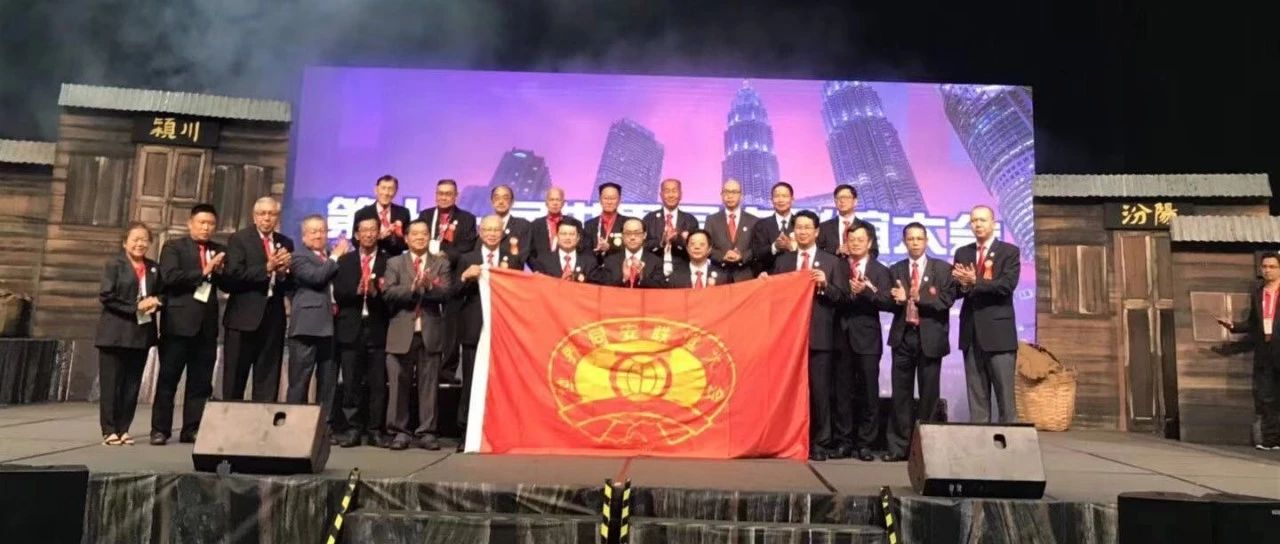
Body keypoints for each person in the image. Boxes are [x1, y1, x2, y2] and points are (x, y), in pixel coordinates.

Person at [761, 210, 848, 461]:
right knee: (787, 392)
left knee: (819, 392)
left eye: (807, 227)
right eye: (798, 227)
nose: (802, 232)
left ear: (817, 231)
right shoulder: (783, 262)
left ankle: (820, 443)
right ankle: (787, 440)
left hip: (820, 337)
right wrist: (765, 283)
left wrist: (826, 285)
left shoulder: (832, 262)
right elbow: (775, 299)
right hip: (789, 338)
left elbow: (843, 298)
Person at [151, 204, 224, 446]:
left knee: (200, 382)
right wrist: (204, 271)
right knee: (168, 379)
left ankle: (192, 428)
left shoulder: (219, 250)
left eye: (210, 224)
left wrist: (221, 272)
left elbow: (228, 283)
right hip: (178, 324)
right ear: (190, 223)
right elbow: (170, 277)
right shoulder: (174, 247)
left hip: (206, 326)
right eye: (202, 223)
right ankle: (160, 429)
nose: (206, 228)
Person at [884, 222, 955, 462]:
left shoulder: (942, 269)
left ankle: (927, 450)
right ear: (904, 242)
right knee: (900, 395)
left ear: (926, 241)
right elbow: (888, 302)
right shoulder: (895, 269)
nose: (914, 243)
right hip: (903, 337)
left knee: (929, 396)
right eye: (910, 239)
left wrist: (916, 298)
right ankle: (899, 448)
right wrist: (896, 300)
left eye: (919, 238)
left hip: (930, 338)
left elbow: (946, 301)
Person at [383, 219, 453, 450]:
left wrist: (429, 286)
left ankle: (427, 432)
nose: (420, 237)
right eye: (415, 234)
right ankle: (399, 432)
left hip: (430, 332)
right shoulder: (395, 262)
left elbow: (446, 293)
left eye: (424, 234)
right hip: (401, 332)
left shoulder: (441, 263)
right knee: (398, 384)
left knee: (429, 385)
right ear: (407, 238)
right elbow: (388, 293)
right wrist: (412, 289)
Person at [455, 215, 523, 445]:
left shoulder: (512, 259)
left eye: (496, 230)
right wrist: (465, 276)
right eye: (488, 229)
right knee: (471, 381)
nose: (492, 234)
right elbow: (453, 293)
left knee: (502, 382)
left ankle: (501, 431)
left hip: (503, 329)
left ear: (503, 232)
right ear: (480, 232)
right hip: (474, 328)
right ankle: (466, 433)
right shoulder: (467, 258)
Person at [952, 205, 1021, 423]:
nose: (978, 224)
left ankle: (1010, 440)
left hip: (999, 333)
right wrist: (963, 285)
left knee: (1005, 397)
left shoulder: (1009, 252)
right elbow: (956, 291)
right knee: (977, 396)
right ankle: (979, 438)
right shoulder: (963, 253)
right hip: (971, 332)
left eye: (982, 220)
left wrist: (976, 281)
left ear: (993, 223)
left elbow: (1006, 286)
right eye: (974, 221)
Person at [95, 222, 161, 446]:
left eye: (144, 239)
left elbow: (162, 293)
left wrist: (155, 302)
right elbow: (107, 296)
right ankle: (109, 430)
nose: (140, 243)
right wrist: (136, 308)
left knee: (132, 385)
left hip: (141, 333)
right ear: (125, 242)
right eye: (135, 239)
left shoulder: (154, 268)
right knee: (111, 384)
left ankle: (124, 428)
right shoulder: (114, 264)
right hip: (114, 333)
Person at [222, 196, 294, 401]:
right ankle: (231, 416)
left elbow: (289, 284)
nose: (267, 218)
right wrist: (267, 268)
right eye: (262, 214)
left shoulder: (285, 242)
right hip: (243, 317)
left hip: (273, 317)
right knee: (235, 377)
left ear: (277, 217)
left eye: (272, 214)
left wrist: (283, 274)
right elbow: (234, 275)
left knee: (268, 376)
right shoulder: (240, 239)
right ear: (254, 217)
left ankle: (263, 417)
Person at [833, 224, 893, 461]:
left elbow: (888, 302)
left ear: (869, 243)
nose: (855, 243)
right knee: (842, 392)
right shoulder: (837, 266)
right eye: (852, 240)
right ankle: (843, 442)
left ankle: (866, 443)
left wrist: (866, 292)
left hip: (867, 338)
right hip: (840, 336)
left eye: (860, 240)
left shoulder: (880, 270)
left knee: (869, 392)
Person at [332, 217, 391, 448]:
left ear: (378, 233)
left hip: (377, 328)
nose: (368, 234)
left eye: (373, 230)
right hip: (350, 327)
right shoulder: (345, 261)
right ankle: (353, 428)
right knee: (351, 382)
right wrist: (356, 292)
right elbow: (338, 293)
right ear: (356, 235)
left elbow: (392, 297)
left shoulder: (388, 261)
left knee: (377, 383)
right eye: (364, 230)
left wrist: (376, 293)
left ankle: (375, 429)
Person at [417, 179, 477, 384]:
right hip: (427, 274)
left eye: (448, 193)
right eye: (440, 193)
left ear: (456, 196)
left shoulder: (467, 218)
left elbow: (467, 246)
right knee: (428, 320)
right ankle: (424, 367)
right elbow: (416, 239)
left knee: (451, 324)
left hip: (453, 276)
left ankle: (448, 370)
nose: (443, 197)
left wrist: (445, 256)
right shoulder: (425, 216)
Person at [286, 215, 347, 417]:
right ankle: (295, 421)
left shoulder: (330, 257)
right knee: (300, 380)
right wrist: (335, 257)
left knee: (328, 381)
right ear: (304, 236)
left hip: (331, 325)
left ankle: (323, 423)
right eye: (313, 231)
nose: (319, 235)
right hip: (307, 326)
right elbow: (316, 277)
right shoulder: (298, 257)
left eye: (322, 230)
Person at [1218, 252, 1280, 450]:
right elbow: (1254, 323)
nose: (1268, 270)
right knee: (1267, 397)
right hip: (1265, 350)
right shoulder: (1258, 293)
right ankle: (1272, 440)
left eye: (1272, 267)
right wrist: (1234, 326)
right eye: (1265, 267)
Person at [642, 178, 700, 275]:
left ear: (681, 195)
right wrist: (661, 242)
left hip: (682, 272)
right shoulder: (649, 219)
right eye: (667, 191)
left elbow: (696, 249)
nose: (671, 195)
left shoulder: (690, 220)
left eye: (674, 191)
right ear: (661, 195)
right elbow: (642, 246)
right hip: (653, 271)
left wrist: (677, 240)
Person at [705, 179, 759, 283]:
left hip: (745, 277)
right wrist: (722, 256)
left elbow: (756, 249)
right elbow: (707, 247)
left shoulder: (754, 221)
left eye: (734, 192)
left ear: (741, 196)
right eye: (726, 192)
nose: (730, 196)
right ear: (721, 195)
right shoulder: (711, 220)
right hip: (718, 276)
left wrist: (742, 256)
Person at [590, 218, 665, 288]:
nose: (632, 237)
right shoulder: (610, 261)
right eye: (628, 233)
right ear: (622, 236)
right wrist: (624, 279)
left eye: (637, 233)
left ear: (644, 235)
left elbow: (660, 290)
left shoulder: (656, 261)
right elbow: (604, 289)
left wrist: (642, 278)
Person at [352, 174, 412, 256]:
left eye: (390, 189)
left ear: (395, 191)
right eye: (383, 188)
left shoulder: (403, 213)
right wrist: (379, 236)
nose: (386, 193)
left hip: (395, 259)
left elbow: (407, 244)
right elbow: (355, 242)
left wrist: (398, 235)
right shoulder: (362, 213)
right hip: (372, 259)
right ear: (376, 190)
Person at [748, 181, 798, 277]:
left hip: (795, 277)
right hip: (770, 277)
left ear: (792, 200)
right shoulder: (761, 225)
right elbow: (757, 254)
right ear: (771, 200)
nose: (780, 200)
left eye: (784, 196)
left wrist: (791, 247)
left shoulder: (800, 223)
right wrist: (775, 247)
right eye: (777, 196)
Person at [817, 184, 880, 259]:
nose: (842, 201)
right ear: (835, 202)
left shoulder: (868, 227)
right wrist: (836, 251)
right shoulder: (824, 227)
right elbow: (817, 253)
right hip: (832, 266)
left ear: (855, 201)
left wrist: (858, 254)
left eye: (846, 197)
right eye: (839, 198)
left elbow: (873, 252)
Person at [528, 186, 582, 269]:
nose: (555, 203)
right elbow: (530, 253)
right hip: (541, 272)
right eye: (551, 200)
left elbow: (581, 249)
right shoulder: (534, 225)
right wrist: (537, 270)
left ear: (563, 203)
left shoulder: (574, 223)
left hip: (568, 269)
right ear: (546, 202)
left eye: (558, 200)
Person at [580, 183, 631, 269]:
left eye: (613, 198)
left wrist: (610, 248)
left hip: (620, 270)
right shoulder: (589, 225)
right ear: (600, 200)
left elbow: (633, 248)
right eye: (606, 198)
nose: (609, 202)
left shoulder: (628, 223)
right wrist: (596, 251)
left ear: (619, 200)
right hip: (595, 270)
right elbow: (585, 251)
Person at [666, 230, 731, 288]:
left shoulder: (723, 276)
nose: (697, 247)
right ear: (687, 248)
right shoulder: (675, 277)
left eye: (702, 244)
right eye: (692, 244)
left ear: (709, 249)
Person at [489, 184, 532, 266]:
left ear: (512, 202)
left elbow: (522, 255)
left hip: (511, 271)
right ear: (492, 201)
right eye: (497, 198)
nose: (501, 202)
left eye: (505, 198)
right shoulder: (484, 225)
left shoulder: (522, 225)